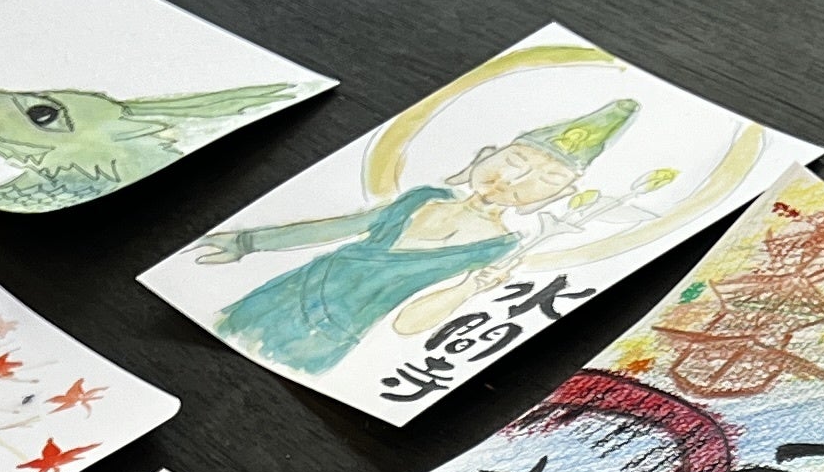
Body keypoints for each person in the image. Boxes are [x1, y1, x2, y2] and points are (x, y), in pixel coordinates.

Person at [194, 99, 637, 375]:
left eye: (546, 179)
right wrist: (246, 242)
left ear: (559, 195)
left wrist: (468, 289)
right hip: (286, 293)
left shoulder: (498, 248)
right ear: (487, 155)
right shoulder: (423, 197)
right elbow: (338, 228)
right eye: (515, 160)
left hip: (330, 333)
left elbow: (408, 324)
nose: (512, 179)